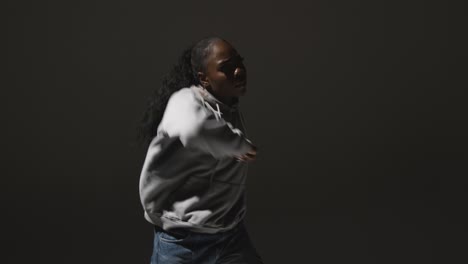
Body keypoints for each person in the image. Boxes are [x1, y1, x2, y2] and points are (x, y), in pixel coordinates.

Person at [137, 36, 265, 264]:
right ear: (204, 79)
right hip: (183, 242)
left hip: (230, 235)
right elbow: (192, 128)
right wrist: (237, 144)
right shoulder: (185, 100)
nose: (238, 71)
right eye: (226, 68)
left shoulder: (228, 106)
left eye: (239, 62)